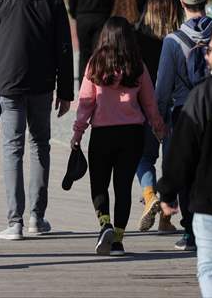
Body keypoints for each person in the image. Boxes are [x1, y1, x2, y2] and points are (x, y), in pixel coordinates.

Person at [0, 0, 74, 240]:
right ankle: (36, 217)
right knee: (39, 145)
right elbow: (65, 49)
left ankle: (14, 221)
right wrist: (66, 90)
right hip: (43, 84)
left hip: (6, 84)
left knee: (12, 149)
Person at [71, 17, 166, 256]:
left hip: (103, 133)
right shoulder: (137, 65)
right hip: (132, 134)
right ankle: (119, 241)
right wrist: (158, 127)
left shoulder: (95, 63)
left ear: (105, 36)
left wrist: (78, 132)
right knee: (123, 187)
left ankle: (105, 224)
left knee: (99, 184)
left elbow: (86, 102)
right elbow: (149, 101)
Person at [159, 23, 212, 298]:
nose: (205, 55)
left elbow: (182, 151)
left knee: (211, 271)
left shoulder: (204, 95)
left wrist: (167, 191)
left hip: (211, 201)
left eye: (211, 49)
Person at [156, 0, 212, 251]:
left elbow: (163, 86)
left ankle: (190, 231)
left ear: (182, 4)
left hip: (183, 112)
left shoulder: (172, 41)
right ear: (206, 0)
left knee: (186, 171)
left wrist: (157, 119)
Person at [133, 0, 183, 234]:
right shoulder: (180, 39)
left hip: (145, 105)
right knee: (172, 163)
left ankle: (149, 194)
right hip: (176, 107)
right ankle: (166, 217)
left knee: (144, 157)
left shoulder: (138, 38)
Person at [69, 0, 119, 81]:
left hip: (83, 17)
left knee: (83, 54)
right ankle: (97, 83)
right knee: (99, 53)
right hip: (102, 18)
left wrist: (74, 14)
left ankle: (82, 84)